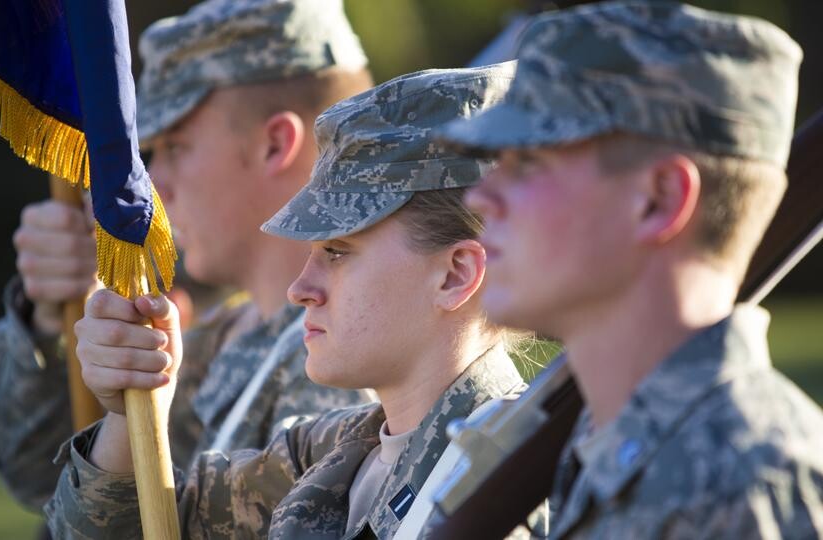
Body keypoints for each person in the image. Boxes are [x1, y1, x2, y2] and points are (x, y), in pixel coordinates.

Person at [44, 64, 538, 539]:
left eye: (339, 252)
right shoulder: (328, 452)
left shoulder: (515, 484)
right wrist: (130, 407)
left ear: (455, 275)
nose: (300, 288)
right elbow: (126, 529)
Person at [434, 1, 823, 538]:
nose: (481, 198)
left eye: (528, 163)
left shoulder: (753, 487)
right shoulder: (598, 441)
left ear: (658, 200)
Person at [0, 0, 375, 514]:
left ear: (275, 144)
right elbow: (41, 477)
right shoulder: (222, 339)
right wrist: (51, 319)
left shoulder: (343, 363)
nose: (153, 185)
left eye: (176, 148)